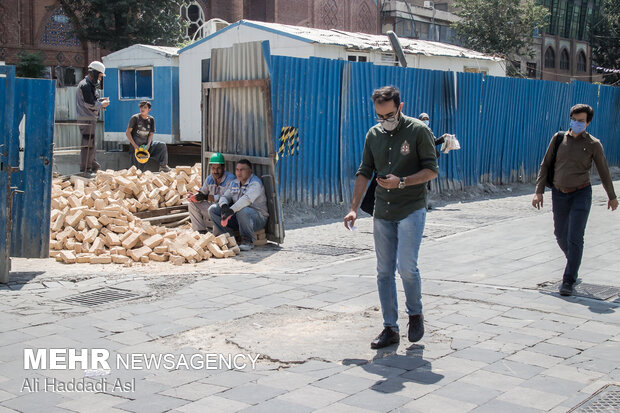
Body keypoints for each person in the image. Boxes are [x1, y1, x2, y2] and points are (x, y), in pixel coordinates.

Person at [344, 86, 439, 349]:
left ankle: (415, 314)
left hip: (411, 207)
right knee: (384, 271)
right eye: (379, 116)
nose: (385, 121)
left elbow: (432, 171)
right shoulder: (373, 135)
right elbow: (364, 171)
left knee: (406, 266)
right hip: (382, 210)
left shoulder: (418, 131)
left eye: (389, 115)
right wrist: (353, 208)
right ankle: (390, 328)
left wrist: (402, 182)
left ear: (401, 107)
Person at [532, 104, 617, 297]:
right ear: (570, 119)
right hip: (559, 193)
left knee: (575, 236)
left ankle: (568, 280)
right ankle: (573, 260)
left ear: (588, 122)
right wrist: (539, 191)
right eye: (574, 120)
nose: (577, 124)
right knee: (560, 234)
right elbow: (545, 165)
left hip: (581, 193)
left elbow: (604, 172)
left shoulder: (594, 144)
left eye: (581, 121)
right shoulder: (559, 138)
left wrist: (612, 197)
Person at [209, 159, 269, 251]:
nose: (239, 172)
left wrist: (230, 211)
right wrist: (224, 206)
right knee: (213, 209)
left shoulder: (255, 183)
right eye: (237, 170)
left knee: (243, 210)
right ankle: (230, 238)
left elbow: (246, 200)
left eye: (242, 170)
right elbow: (225, 196)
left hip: (257, 219)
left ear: (250, 171)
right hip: (238, 217)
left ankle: (247, 241)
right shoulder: (235, 182)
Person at [188, 152, 235, 234]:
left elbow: (226, 199)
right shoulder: (210, 178)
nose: (215, 171)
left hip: (225, 212)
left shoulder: (231, 179)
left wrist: (206, 197)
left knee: (217, 236)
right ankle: (200, 231)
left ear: (223, 168)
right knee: (192, 204)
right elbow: (203, 193)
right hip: (212, 209)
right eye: (213, 168)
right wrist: (196, 197)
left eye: (218, 168)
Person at [76, 61, 109, 176]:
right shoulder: (85, 85)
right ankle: (86, 168)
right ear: (95, 73)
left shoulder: (89, 85)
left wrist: (100, 102)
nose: (100, 79)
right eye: (100, 76)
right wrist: (102, 104)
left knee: (91, 144)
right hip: (86, 119)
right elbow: (89, 103)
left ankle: (93, 165)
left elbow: (92, 100)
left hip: (89, 118)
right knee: (88, 144)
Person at [125, 101, 171, 172]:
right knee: (137, 171)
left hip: (147, 146)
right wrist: (134, 145)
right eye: (141, 107)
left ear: (149, 109)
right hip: (136, 148)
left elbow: (151, 134)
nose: (142, 109)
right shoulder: (135, 118)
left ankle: (163, 166)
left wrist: (148, 145)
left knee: (161, 145)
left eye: (145, 107)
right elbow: (128, 133)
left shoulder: (151, 119)